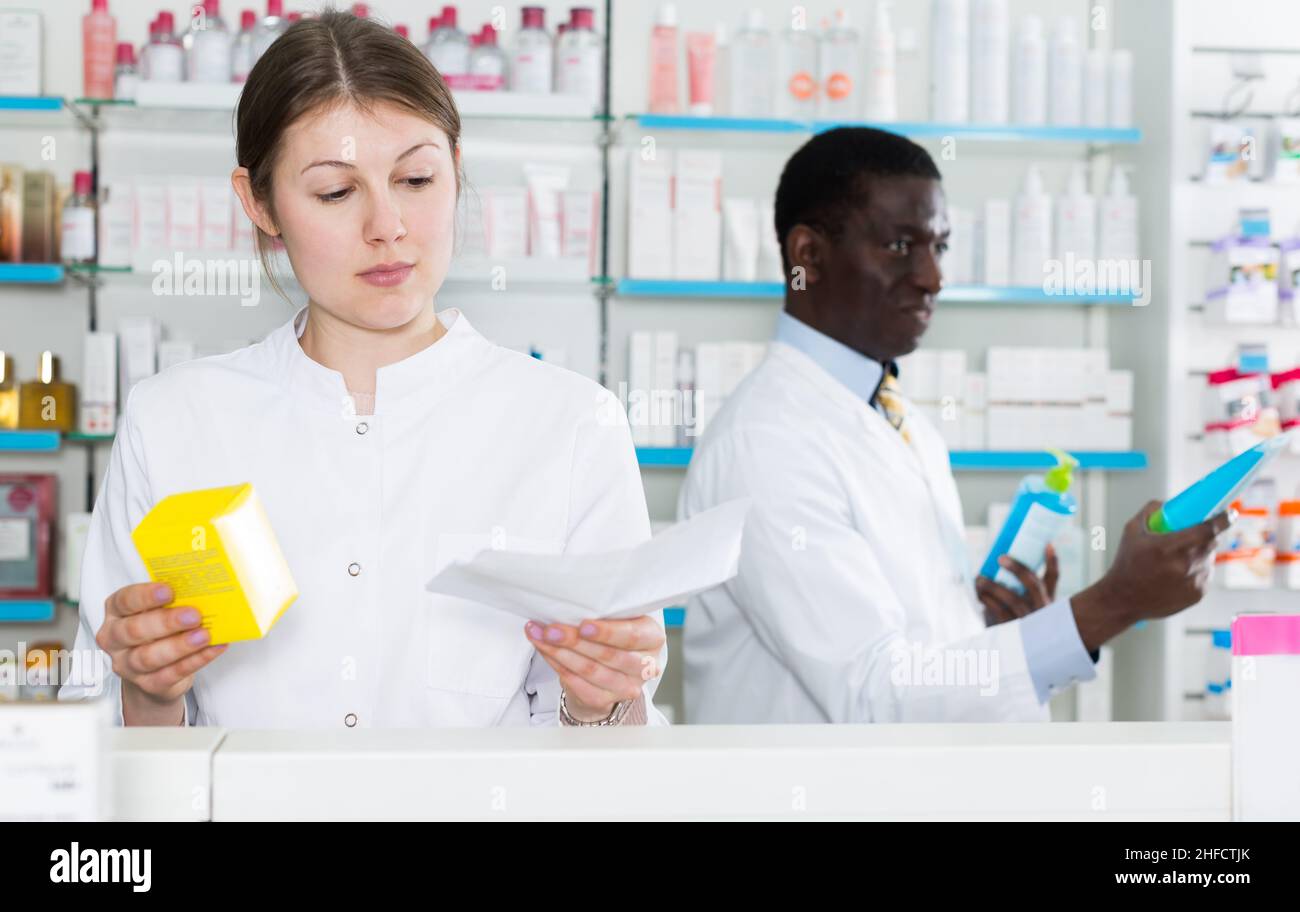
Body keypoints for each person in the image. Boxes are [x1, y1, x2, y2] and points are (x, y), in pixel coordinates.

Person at [58, 11, 667, 728]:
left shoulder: (569, 424)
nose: (388, 226)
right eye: (335, 193)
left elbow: (614, 761)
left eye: (415, 178)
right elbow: (96, 750)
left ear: (456, 170)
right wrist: (148, 692)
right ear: (259, 203)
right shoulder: (174, 422)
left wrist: (599, 701)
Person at [679, 127, 1229, 724]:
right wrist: (1112, 604)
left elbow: (917, 655)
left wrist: (992, 630)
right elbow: (875, 693)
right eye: (899, 246)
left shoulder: (900, 418)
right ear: (808, 256)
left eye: (939, 247)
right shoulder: (767, 443)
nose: (932, 277)